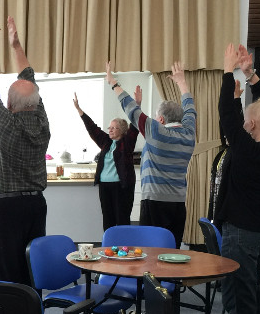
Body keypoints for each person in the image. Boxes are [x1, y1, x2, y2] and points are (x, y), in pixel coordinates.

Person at [0, 13, 51, 286]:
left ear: (9, 105)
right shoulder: (43, 123)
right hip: (35, 206)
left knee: (8, 277)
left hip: (6, 209)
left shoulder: (6, 126)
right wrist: (16, 46)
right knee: (32, 272)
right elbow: (29, 80)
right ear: (36, 102)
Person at [218, 43, 260, 314]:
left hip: (242, 233)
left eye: (247, 119)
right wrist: (250, 75)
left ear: (254, 124)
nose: (243, 123)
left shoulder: (246, 150)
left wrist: (227, 70)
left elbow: (226, 116)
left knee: (240, 297)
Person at [105, 61, 196, 246]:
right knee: (172, 252)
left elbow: (130, 108)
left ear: (160, 119)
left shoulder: (156, 131)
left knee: (150, 255)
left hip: (155, 203)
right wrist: (182, 82)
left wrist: (113, 82)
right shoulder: (189, 133)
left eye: (156, 117)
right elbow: (190, 108)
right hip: (178, 205)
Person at [73, 92, 139, 231]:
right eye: (109, 127)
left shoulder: (127, 143)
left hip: (121, 187)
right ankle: (108, 249)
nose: (109, 129)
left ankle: (123, 249)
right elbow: (93, 128)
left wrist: (137, 105)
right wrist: (80, 111)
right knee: (108, 219)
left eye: (113, 127)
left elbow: (134, 127)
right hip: (105, 186)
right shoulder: (106, 142)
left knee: (122, 219)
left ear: (121, 130)